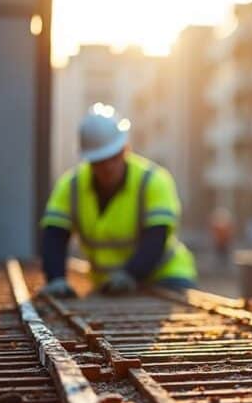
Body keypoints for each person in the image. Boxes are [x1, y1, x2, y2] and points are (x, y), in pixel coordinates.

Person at [38, 103, 197, 297]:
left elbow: (156, 237)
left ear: (125, 149)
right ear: (88, 160)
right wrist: (56, 278)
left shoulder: (153, 181)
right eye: (99, 161)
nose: (107, 168)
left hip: (165, 276)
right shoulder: (70, 187)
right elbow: (54, 235)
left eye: (113, 157)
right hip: (110, 284)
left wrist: (130, 274)